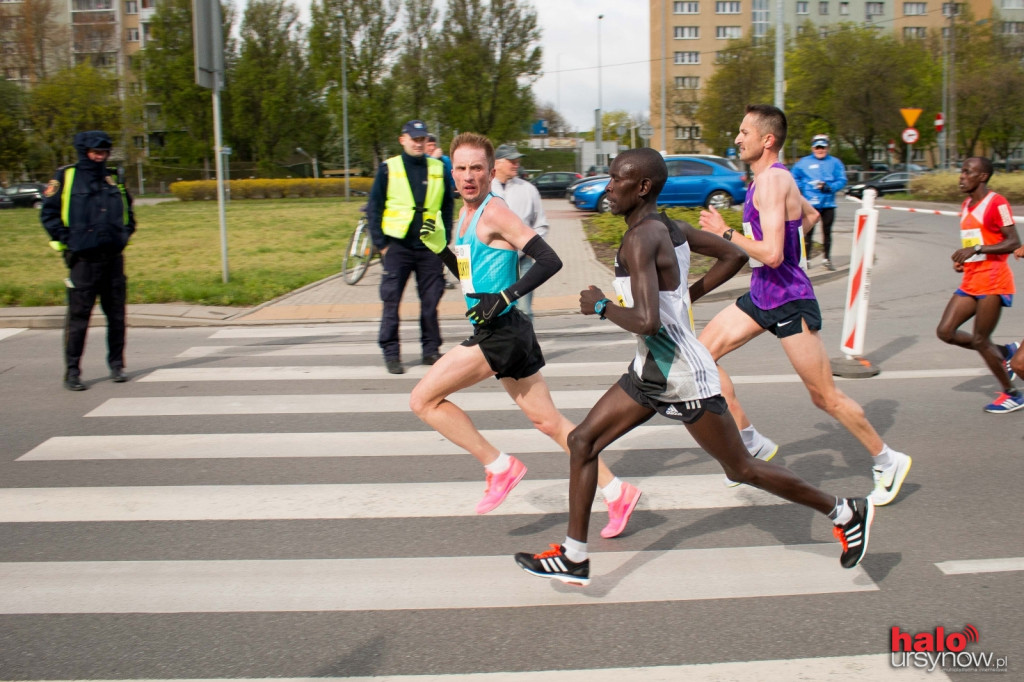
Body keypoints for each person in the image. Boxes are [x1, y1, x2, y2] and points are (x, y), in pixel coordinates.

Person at [514, 148, 874, 586]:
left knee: (742, 468)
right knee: (583, 441)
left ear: (642, 187)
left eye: (615, 179)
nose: (608, 187)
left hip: (682, 374)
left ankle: (844, 510)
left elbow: (646, 320)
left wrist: (601, 305)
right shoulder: (670, 226)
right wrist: (683, 299)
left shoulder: (641, 237)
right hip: (650, 370)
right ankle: (574, 556)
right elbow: (734, 257)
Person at [410, 133, 641, 537]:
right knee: (548, 421)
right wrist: (442, 251)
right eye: (461, 168)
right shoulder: (464, 215)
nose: (468, 176)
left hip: (501, 332)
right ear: (452, 171)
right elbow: (469, 280)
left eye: (477, 168)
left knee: (423, 400)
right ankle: (617, 490)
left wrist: (505, 297)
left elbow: (550, 259)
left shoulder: (494, 212)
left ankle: (499, 466)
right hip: (508, 329)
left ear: (490, 169)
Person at [697, 104, 911, 506]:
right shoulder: (777, 179)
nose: (738, 138)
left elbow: (774, 254)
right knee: (701, 357)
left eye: (745, 132)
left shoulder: (772, 183)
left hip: (790, 301)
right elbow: (809, 215)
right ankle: (750, 441)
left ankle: (888, 460)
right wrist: (785, 250)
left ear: (768, 139)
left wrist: (725, 231)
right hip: (763, 294)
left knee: (824, 396)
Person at [40, 130, 136, 391]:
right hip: (83, 261)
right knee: (78, 318)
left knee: (117, 316)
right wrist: (68, 241)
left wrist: (123, 235)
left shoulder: (113, 178)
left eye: (104, 153)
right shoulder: (66, 176)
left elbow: (128, 212)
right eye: (96, 152)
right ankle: (72, 371)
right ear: (84, 152)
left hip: (113, 259)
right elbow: (48, 214)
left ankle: (117, 365)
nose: (100, 157)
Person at [367, 120, 455, 374]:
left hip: (429, 246)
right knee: (391, 301)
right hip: (398, 246)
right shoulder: (388, 168)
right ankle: (391, 352)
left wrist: (445, 238)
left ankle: (430, 350)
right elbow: (375, 207)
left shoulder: (438, 168)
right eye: (414, 139)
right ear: (402, 139)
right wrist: (381, 245)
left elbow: (448, 206)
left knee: (430, 301)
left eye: (422, 139)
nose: (418, 143)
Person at [936, 157, 1022, 414]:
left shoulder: (998, 203)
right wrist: (964, 260)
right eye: (961, 171)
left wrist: (977, 248)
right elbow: (975, 242)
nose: (961, 176)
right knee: (946, 332)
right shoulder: (966, 204)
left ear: (982, 176)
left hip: (994, 280)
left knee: (980, 339)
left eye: (967, 172)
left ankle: (1012, 394)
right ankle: (1004, 352)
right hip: (972, 279)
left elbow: (1014, 242)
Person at [490, 143, 548, 319]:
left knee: (524, 311)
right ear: (497, 163)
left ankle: (526, 347)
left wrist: (532, 249)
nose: (516, 163)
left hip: (522, 263)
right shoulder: (486, 188)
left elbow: (541, 224)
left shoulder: (528, 189)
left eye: (517, 160)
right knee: (494, 309)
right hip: (492, 262)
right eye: (511, 160)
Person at [791, 134, 846, 271]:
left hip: (828, 204)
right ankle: (806, 260)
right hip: (810, 204)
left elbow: (842, 180)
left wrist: (830, 187)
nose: (820, 150)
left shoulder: (835, 162)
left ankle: (826, 259)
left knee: (827, 232)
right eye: (817, 147)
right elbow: (793, 177)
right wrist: (803, 188)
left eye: (823, 147)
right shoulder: (804, 162)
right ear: (813, 148)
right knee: (807, 232)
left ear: (827, 148)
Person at [426, 133, 457, 290]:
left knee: (442, 245)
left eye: (433, 145)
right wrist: (433, 159)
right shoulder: (423, 161)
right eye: (428, 145)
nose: (431, 147)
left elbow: (452, 180)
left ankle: (441, 277)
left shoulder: (443, 161)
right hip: (426, 214)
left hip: (441, 211)